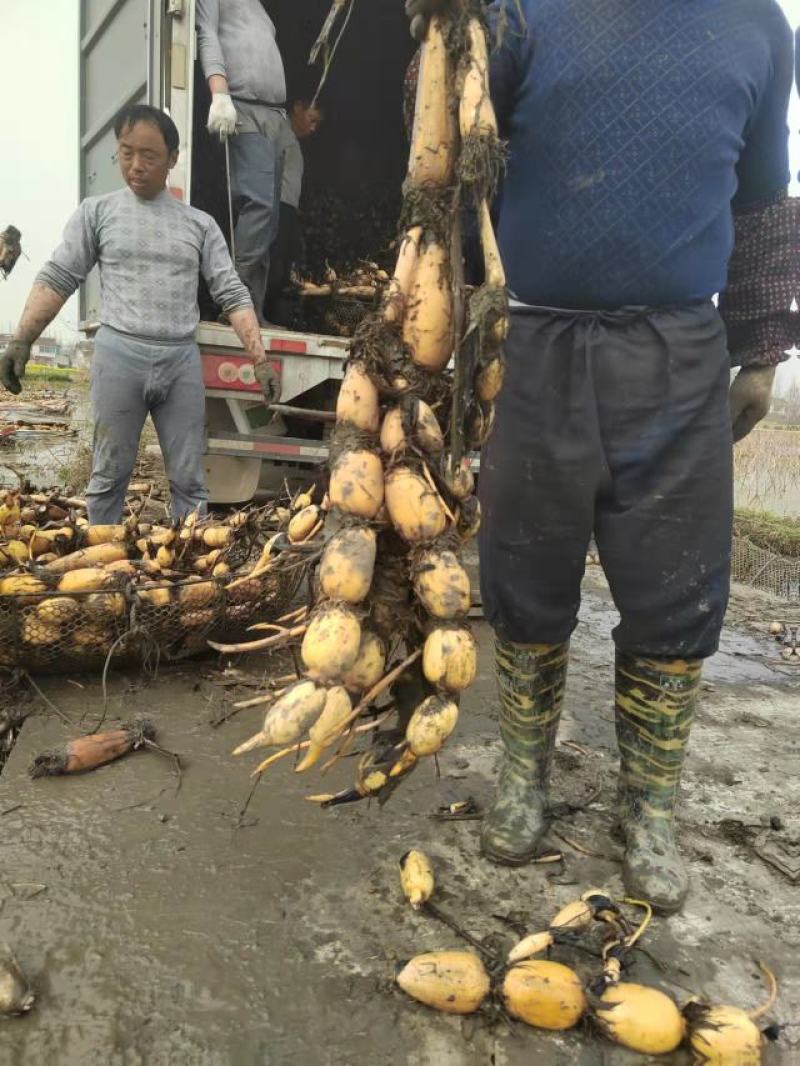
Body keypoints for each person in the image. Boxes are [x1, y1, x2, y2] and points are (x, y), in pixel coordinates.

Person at [405, 0, 797, 912]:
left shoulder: (756, 27)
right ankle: (524, 779)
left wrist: (765, 348)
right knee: (524, 578)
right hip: (533, 347)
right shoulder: (515, 13)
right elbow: (455, 171)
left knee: (679, 588)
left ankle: (648, 809)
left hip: (679, 351)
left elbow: (765, 199)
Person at [0, 104, 279, 524]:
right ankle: (101, 565)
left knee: (189, 480)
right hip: (119, 357)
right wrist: (22, 339)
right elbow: (59, 276)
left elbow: (232, 294)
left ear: (172, 159)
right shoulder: (98, 212)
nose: (135, 165)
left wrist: (260, 359)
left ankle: (188, 564)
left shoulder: (199, 225)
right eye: (126, 152)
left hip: (180, 362)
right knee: (109, 474)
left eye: (149, 156)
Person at [197, 0, 287, 324]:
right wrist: (219, 93)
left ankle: (254, 309)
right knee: (258, 205)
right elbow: (205, 34)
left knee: (269, 217)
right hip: (242, 106)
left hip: (275, 113)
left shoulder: (260, 9)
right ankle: (239, 308)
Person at [267, 100, 325, 325]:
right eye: (312, 120)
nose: (313, 129)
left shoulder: (292, 141)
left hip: (288, 209)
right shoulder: (280, 132)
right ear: (298, 107)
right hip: (277, 207)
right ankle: (263, 315)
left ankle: (275, 317)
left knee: (283, 270)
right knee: (274, 267)